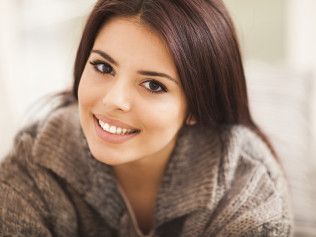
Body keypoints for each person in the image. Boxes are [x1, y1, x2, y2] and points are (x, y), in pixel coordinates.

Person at [0, 0, 293, 236]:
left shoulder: (250, 197)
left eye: (154, 85)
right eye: (103, 67)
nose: (113, 99)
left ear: (196, 106)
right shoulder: (34, 162)